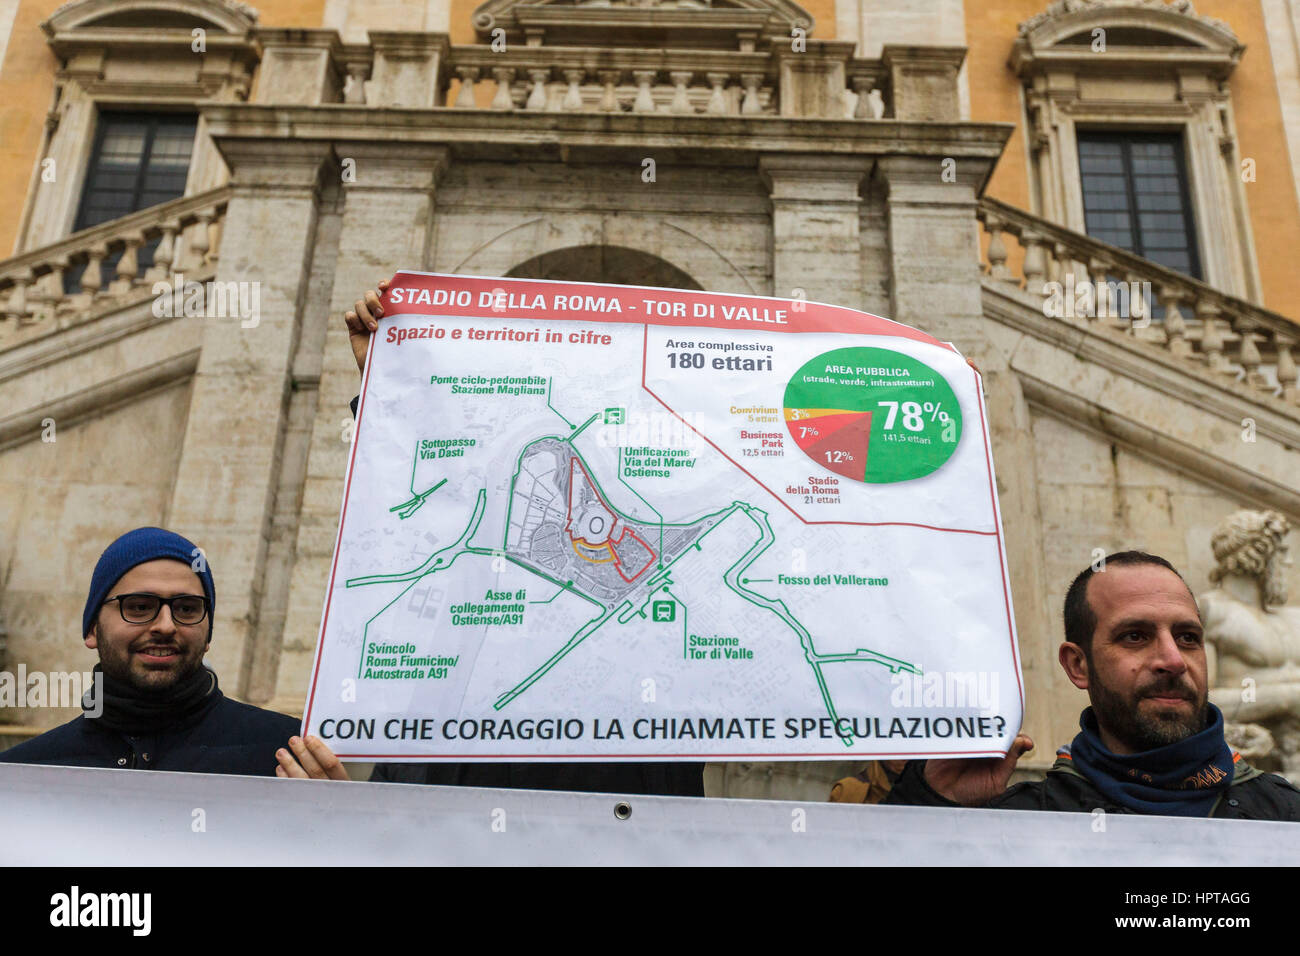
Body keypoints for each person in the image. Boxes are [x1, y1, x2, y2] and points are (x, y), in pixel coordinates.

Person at [344, 280, 705, 796]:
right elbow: (427, 505)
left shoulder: (658, 488)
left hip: (619, 774)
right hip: (461, 763)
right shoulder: (511, 494)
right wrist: (386, 384)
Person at [884, 551, 1300, 819]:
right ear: (1078, 665)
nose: (1173, 660)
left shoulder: (1284, 813)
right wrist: (931, 808)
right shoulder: (1026, 819)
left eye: (1188, 637)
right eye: (1135, 636)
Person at [0, 527, 348, 780]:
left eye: (186, 608)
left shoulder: (289, 758)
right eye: (138, 606)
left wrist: (345, 837)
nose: (166, 625)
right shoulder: (23, 775)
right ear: (92, 628)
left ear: (208, 633)